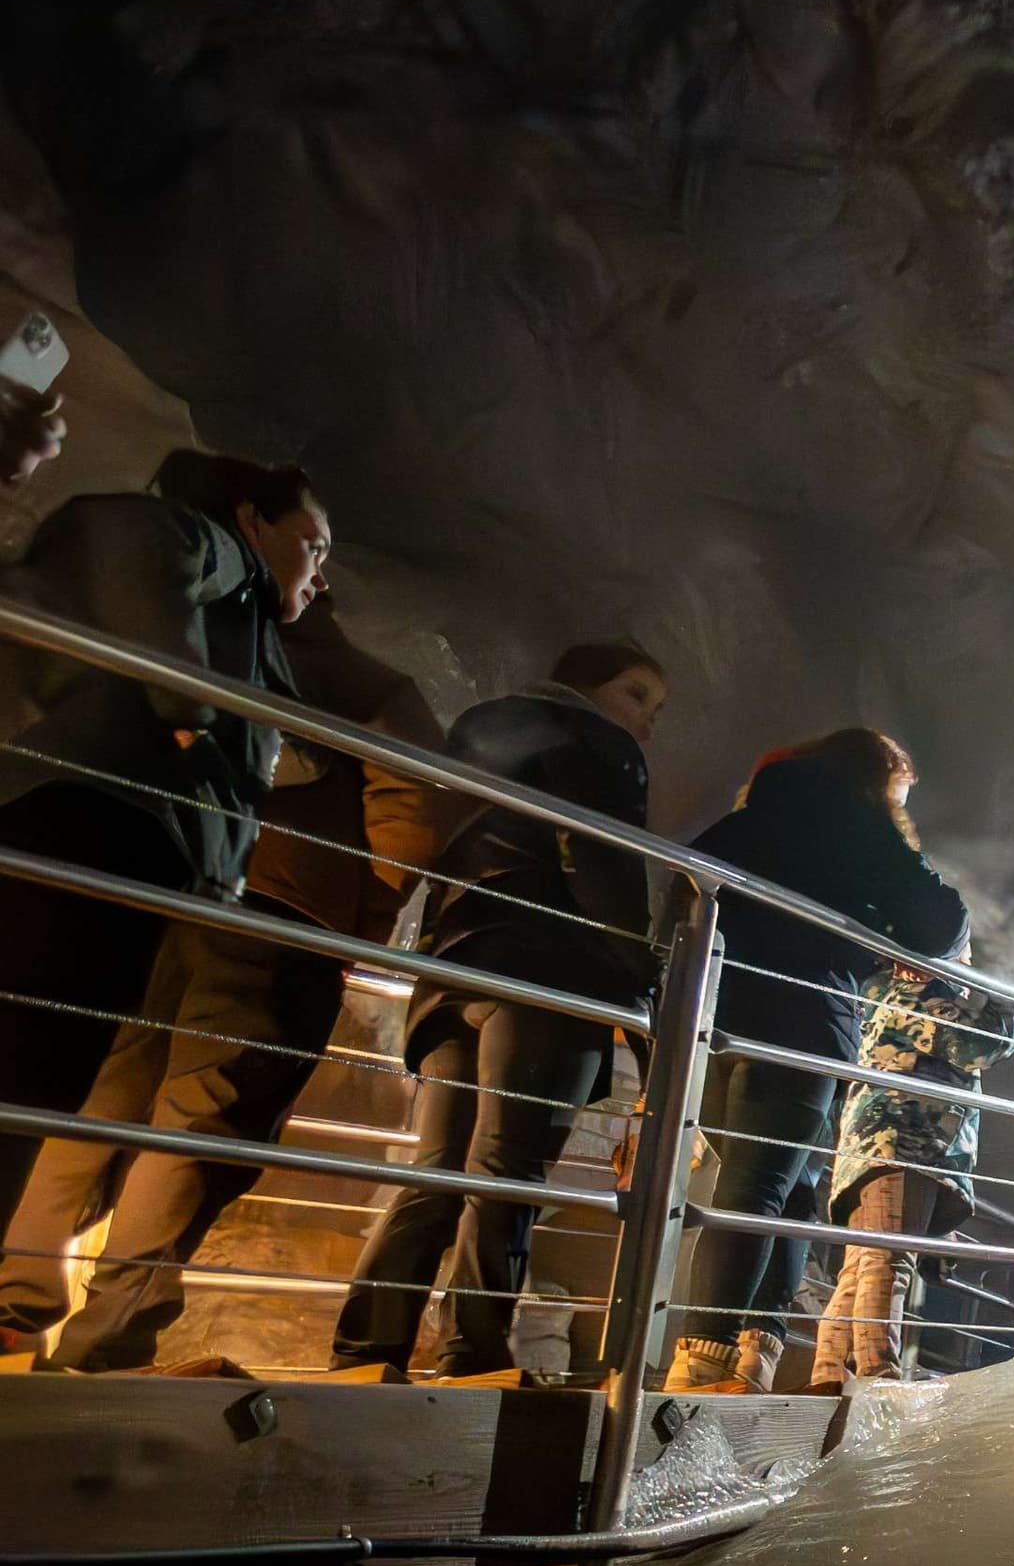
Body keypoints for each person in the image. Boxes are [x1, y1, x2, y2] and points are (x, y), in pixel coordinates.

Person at [0, 586, 443, 1367]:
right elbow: (412, 806)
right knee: (208, 1119)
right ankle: (106, 1345)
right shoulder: (363, 680)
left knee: (103, 1096)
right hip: (280, 912)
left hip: (165, 891)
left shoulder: (189, 637)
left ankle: (17, 1307)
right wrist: (365, 911)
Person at [0, 450, 326, 1232]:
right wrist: (186, 693)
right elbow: (135, 535)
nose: (320, 574)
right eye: (313, 545)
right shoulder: (216, 549)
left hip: (107, 829)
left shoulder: (245, 615)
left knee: (46, 1079)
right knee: (29, 1075)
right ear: (252, 519)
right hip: (95, 825)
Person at [329, 640, 668, 1380]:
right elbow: (606, 867)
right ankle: (472, 1351)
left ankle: (366, 1346)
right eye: (639, 695)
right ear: (587, 684)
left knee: (440, 1167)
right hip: (548, 974)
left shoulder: (480, 728)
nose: (647, 723)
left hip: (453, 969)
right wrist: (642, 968)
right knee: (507, 1168)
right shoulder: (599, 743)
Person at [663, 728, 965, 1391]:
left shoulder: (752, 818)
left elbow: (684, 889)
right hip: (803, 1018)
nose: (897, 808)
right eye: (898, 795)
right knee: (762, 1184)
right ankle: (708, 1356)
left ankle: (753, 1352)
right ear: (875, 780)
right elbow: (940, 920)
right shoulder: (849, 820)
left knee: (788, 1188)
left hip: (714, 1017)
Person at [807, 942, 1014, 1388]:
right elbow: (974, 1045)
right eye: (963, 949)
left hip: (885, 1144)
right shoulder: (909, 986)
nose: (969, 961)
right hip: (900, 1140)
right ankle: (877, 1376)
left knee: (863, 1265)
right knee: (887, 1261)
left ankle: (828, 1376)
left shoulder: (888, 984)